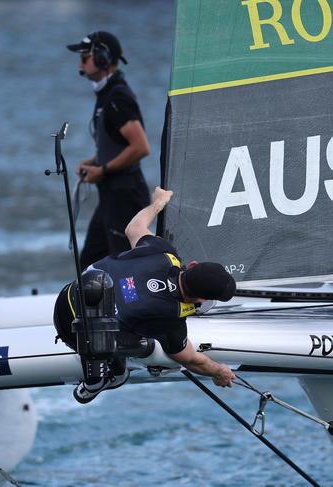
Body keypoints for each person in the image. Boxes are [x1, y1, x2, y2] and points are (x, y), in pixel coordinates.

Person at [54, 187, 237, 404]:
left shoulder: (163, 252)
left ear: (193, 264)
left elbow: (134, 228)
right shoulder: (171, 320)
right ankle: (104, 377)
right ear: (200, 300)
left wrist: (158, 203)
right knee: (153, 346)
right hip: (77, 337)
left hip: (66, 297)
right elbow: (191, 360)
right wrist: (219, 371)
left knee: (112, 298)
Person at [67, 31, 151, 269]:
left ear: (103, 58)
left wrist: (103, 170)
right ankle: (96, 306)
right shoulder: (106, 95)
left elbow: (141, 147)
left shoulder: (117, 98)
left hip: (125, 196)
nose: (80, 63)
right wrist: (94, 161)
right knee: (91, 262)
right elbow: (116, 144)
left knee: (126, 265)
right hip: (111, 196)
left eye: (84, 58)